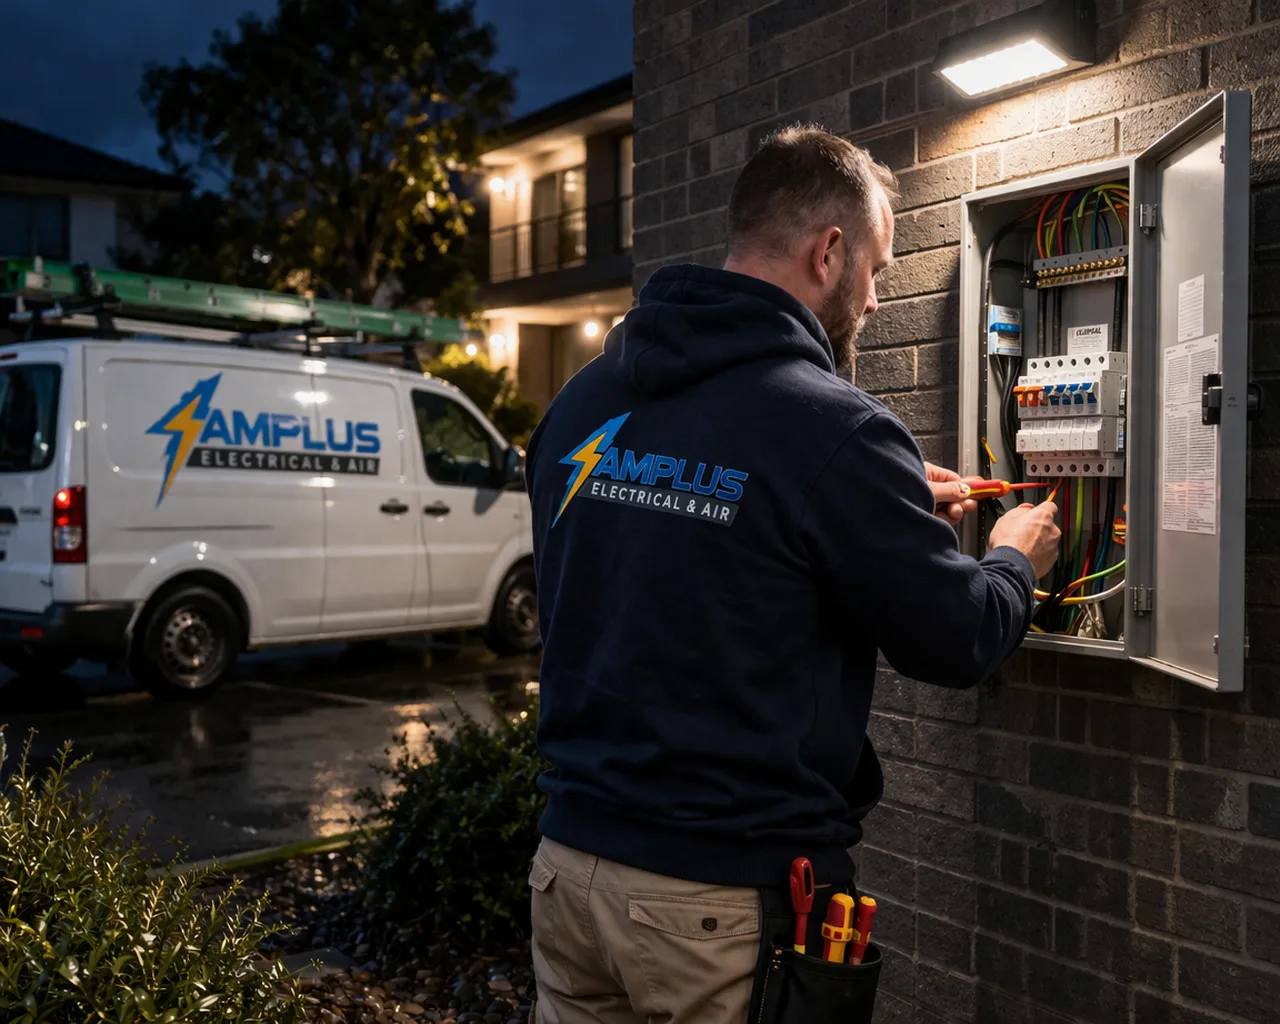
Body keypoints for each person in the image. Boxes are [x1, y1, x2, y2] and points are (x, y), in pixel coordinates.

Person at [521, 124, 1060, 1024]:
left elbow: (665, 563)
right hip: (714, 903)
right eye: (879, 269)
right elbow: (957, 636)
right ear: (830, 252)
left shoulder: (585, 399)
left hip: (567, 874)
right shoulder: (832, 428)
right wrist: (1014, 556)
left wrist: (870, 513)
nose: (878, 300)